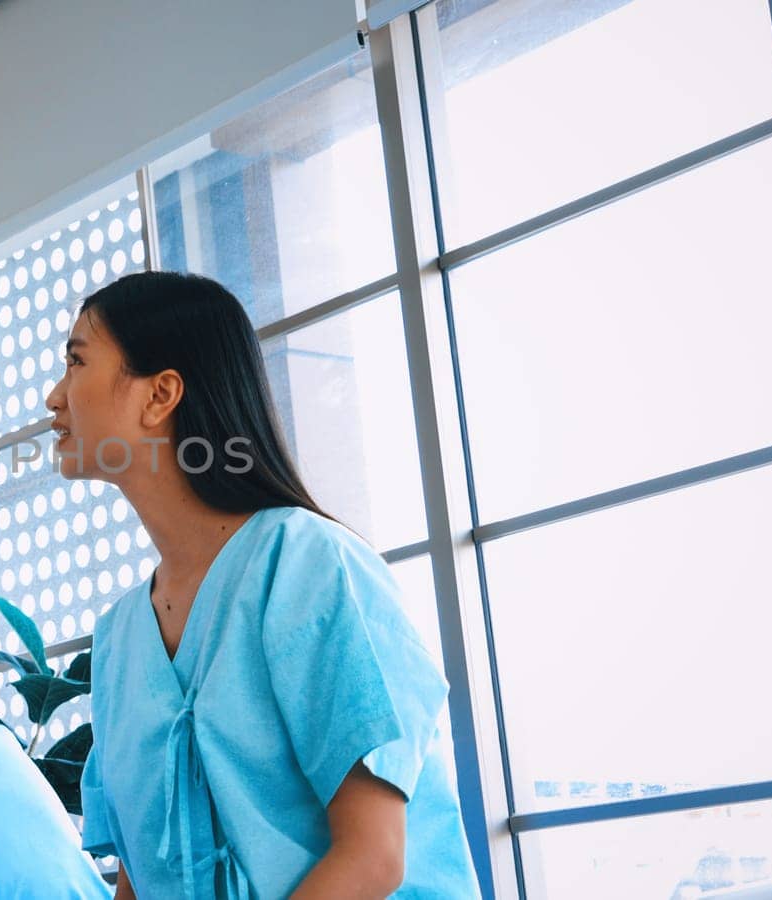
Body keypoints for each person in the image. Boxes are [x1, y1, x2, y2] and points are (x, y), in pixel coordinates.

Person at [51, 272, 480, 899]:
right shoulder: (119, 640)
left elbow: (374, 856)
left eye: (76, 361)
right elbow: (140, 882)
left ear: (160, 394)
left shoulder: (309, 566)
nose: (54, 397)